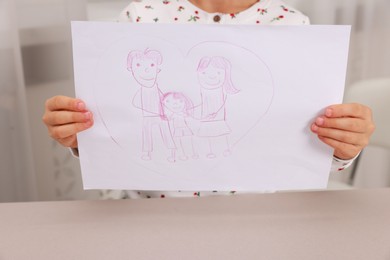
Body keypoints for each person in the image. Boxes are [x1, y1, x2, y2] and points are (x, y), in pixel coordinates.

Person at [42, 0, 375, 199]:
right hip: (146, 212)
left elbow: (305, 138)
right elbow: (112, 125)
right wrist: (77, 136)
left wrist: (343, 147)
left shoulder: (291, 25)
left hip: (255, 216)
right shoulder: (140, 16)